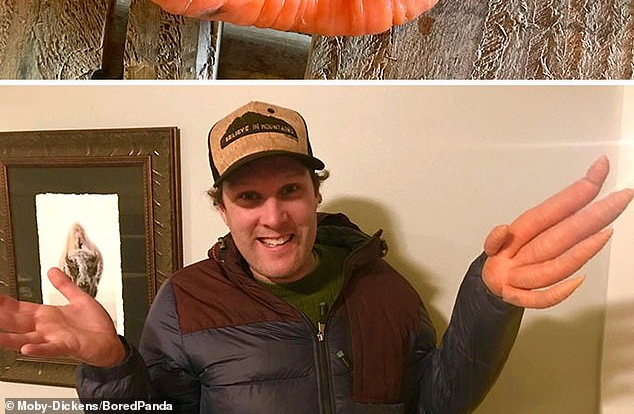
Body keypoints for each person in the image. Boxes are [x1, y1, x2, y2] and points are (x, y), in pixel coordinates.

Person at [0, 101, 632, 414]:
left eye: (290, 192)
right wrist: (109, 365)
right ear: (222, 208)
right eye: (248, 197)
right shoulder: (186, 302)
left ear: (316, 193)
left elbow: (437, 405)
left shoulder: (384, 287)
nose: (272, 218)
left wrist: (487, 300)